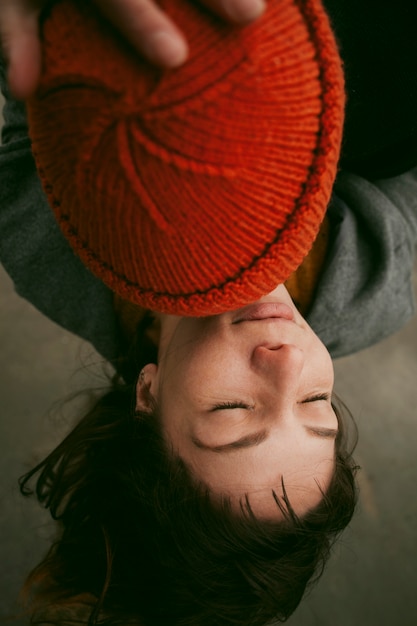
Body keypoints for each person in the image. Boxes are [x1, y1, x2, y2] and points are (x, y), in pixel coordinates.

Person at [2, 0, 416, 623]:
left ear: (147, 394)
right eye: (316, 407)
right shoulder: (376, 286)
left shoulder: (45, 250)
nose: (285, 364)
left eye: (233, 411)